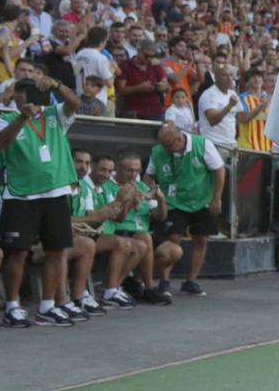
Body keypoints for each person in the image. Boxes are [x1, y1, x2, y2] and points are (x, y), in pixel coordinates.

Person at [0, 61, 86, 328]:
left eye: (32, 90)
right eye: (21, 90)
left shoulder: (53, 114)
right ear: (14, 95)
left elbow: (75, 103)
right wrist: (23, 116)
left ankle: (47, 306)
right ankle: (12, 306)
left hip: (56, 193)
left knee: (57, 251)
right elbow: (0, 143)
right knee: (18, 253)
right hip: (21, 196)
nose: (27, 95)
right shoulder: (4, 118)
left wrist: (57, 84)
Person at [147, 121, 225, 297]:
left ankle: (191, 281)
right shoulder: (158, 151)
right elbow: (148, 175)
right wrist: (150, 200)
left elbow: (219, 171)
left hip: (201, 200)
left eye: (168, 146)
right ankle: (164, 281)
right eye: (163, 146)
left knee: (201, 240)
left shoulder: (203, 144)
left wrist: (216, 198)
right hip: (173, 201)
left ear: (178, 139)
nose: (165, 149)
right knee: (173, 238)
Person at [76, 152, 141, 307]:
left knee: (140, 245)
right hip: (85, 235)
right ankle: (106, 291)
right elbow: (94, 221)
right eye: (102, 170)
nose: (106, 175)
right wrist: (119, 201)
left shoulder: (103, 187)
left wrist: (127, 203)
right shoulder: (84, 185)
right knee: (121, 243)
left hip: (95, 234)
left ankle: (113, 287)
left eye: (109, 171)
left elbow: (116, 217)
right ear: (93, 168)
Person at [113, 151, 175, 305]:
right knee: (144, 237)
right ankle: (149, 288)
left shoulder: (142, 186)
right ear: (119, 168)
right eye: (129, 170)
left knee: (174, 251)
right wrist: (129, 202)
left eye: (137, 170)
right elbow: (115, 217)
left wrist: (161, 200)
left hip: (143, 230)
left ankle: (133, 281)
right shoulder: (111, 186)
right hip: (121, 230)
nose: (133, 174)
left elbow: (161, 216)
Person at [61, 146, 110, 317]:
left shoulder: (85, 188)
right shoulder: (59, 184)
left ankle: (79, 296)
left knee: (89, 242)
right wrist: (95, 219)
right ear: (68, 161)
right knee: (86, 243)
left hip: (73, 237)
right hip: (46, 240)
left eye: (87, 163)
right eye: (79, 161)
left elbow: (92, 220)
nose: (83, 166)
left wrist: (114, 208)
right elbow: (60, 220)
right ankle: (66, 299)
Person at [115, 39, 169, 121]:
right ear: (138, 51)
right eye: (146, 55)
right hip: (134, 112)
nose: (149, 58)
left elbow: (166, 86)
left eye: (152, 56)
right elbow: (120, 90)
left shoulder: (156, 65)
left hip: (155, 111)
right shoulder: (126, 65)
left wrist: (161, 87)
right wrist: (138, 88)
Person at [197, 62, 244, 153]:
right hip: (214, 144)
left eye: (230, 75)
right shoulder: (209, 94)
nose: (229, 78)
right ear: (215, 77)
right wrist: (229, 106)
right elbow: (213, 120)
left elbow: (242, 118)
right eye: (224, 75)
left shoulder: (232, 93)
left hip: (231, 144)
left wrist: (260, 106)